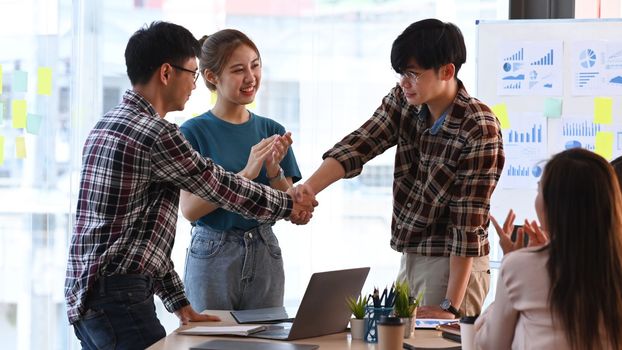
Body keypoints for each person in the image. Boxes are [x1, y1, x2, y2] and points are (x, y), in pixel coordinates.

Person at [64, 21, 316, 350]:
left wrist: (178, 303)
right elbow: (220, 187)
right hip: (120, 299)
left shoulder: (107, 124)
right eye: (192, 74)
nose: (194, 85)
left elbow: (139, 240)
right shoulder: (157, 134)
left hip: (89, 297)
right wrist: (289, 204)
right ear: (167, 73)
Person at [301, 18, 504, 319]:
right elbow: (360, 144)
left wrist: (450, 306)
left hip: (454, 266)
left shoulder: (479, 127)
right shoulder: (405, 100)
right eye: (400, 74)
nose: (403, 82)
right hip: (411, 257)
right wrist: (307, 190)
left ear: (447, 71)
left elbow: (467, 223)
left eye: (413, 74)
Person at [178, 29, 301, 311]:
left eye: (255, 65)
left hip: (265, 247)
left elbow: (292, 206)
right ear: (211, 77)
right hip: (212, 252)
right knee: (212, 342)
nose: (251, 77)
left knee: (267, 340)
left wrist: (274, 172)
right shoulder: (193, 132)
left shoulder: (272, 130)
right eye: (238, 70)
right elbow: (189, 210)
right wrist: (245, 173)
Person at [476, 148, 622, 350]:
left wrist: (511, 263)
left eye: (539, 190)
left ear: (553, 205)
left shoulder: (521, 267)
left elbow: (491, 344)